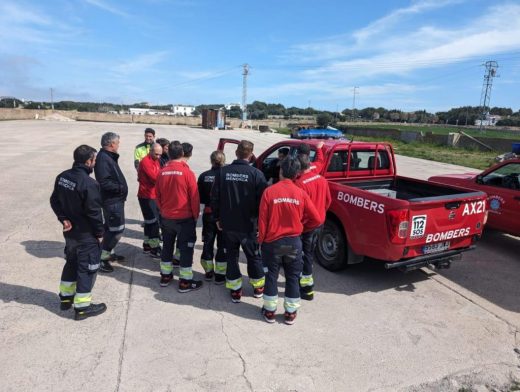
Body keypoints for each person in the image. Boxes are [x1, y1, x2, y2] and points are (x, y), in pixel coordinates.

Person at [258, 157, 321, 325]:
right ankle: (290, 313)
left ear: (280, 171)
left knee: (271, 276)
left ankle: (270, 311)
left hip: (273, 243)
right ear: (296, 174)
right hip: (292, 243)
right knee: (292, 277)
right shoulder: (300, 193)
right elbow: (317, 219)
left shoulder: (269, 192)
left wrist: (261, 241)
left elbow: (262, 221)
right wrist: (302, 226)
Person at [50, 145, 107, 320]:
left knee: (71, 263)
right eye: (94, 160)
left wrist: (63, 218)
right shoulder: (89, 184)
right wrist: (99, 233)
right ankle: (82, 308)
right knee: (87, 269)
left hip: (70, 234)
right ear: (88, 161)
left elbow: (54, 200)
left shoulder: (63, 177)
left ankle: (66, 298)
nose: (95, 163)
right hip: (86, 235)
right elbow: (94, 213)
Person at [211, 140, 267, 303]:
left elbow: (214, 198)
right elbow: (263, 203)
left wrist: (217, 218)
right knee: (253, 256)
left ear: (236, 153)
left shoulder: (222, 173)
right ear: (250, 155)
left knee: (232, 256)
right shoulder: (257, 175)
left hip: (227, 224)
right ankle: (258, 288)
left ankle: (235, 290)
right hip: (249, 225)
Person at [156, 142, 202, 292]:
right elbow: (194, 198)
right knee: (186, 249)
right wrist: (195, 216)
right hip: (184, 218)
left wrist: (163, 211)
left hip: (167, 217)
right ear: (182, 154)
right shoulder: (187, 173)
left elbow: (157, 196)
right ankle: (185, 282)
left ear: (168, 154)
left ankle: (165, 276)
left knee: (167, 247)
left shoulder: (162, 172)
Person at [294, 153, 332, 301]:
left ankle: (306, 288)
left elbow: (298, 208)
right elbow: (328, 201)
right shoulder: (322, 179)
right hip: (319, 222)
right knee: (310, 253)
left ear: (299, 168)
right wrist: (321, 213)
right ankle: (307, 285)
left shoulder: (300, 183)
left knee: (303, 255)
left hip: (306, 226)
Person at [94, 132, 128, 273]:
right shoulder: (103, 159)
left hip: (115, 200)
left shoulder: (108, 157)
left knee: (110, 227)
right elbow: (104, 182)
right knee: (116, 229)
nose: (118, 145)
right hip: (112, 201)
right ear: (112, 144)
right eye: (117, 143)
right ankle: (102, 257)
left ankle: (109, 253)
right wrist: (120, 188)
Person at [197, 150, 226, 284]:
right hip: (223, 217)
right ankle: (220, 275)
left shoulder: (203, 176)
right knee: (222, 244)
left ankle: (208, 271)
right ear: (223, 161)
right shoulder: (227, 176)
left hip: (208, 215)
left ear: (211, 160)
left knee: (208, 242)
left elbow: (200, 198)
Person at [137, 143, 163, 258]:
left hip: (153, 195)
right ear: (151, 151)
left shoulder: (155, 160)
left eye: (160, 155)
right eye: (156, 154)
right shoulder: (146, 162)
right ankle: (154, 248)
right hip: (147, 196)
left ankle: (147, 245)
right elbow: (155, 178)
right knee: (153, 223)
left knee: (149, 221)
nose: (158, 157)